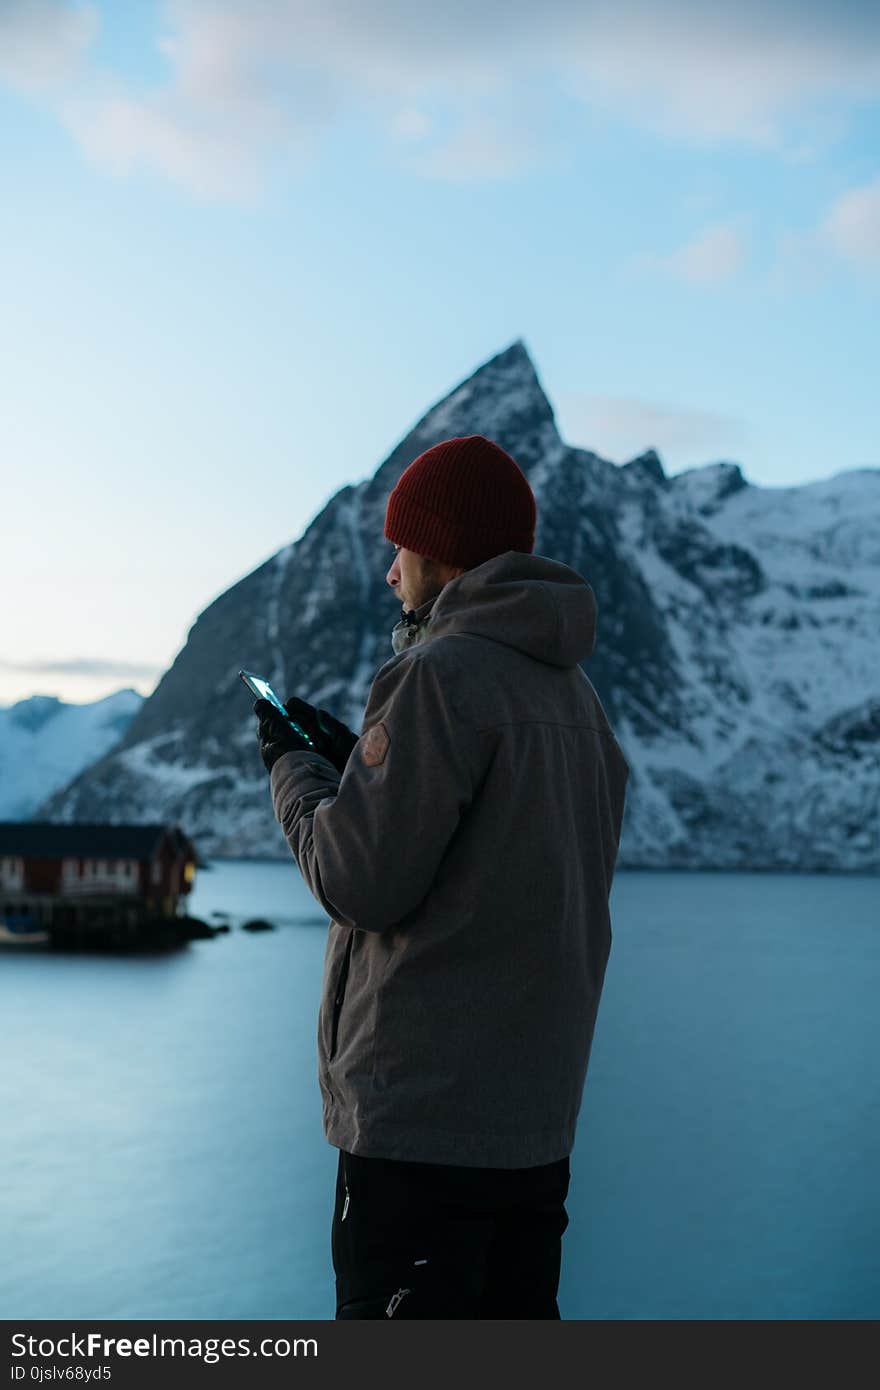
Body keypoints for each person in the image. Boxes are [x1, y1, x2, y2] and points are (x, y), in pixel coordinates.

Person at [253, 433, 629, 1319]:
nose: (391, 571)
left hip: (420, 1133)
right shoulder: (576, 699)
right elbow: (487, 856)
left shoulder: (439, 674)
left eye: (400, 546)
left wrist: (293, 770)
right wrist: (364, 773)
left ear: (443, 552)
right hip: (531, 1136)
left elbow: (359, 882)